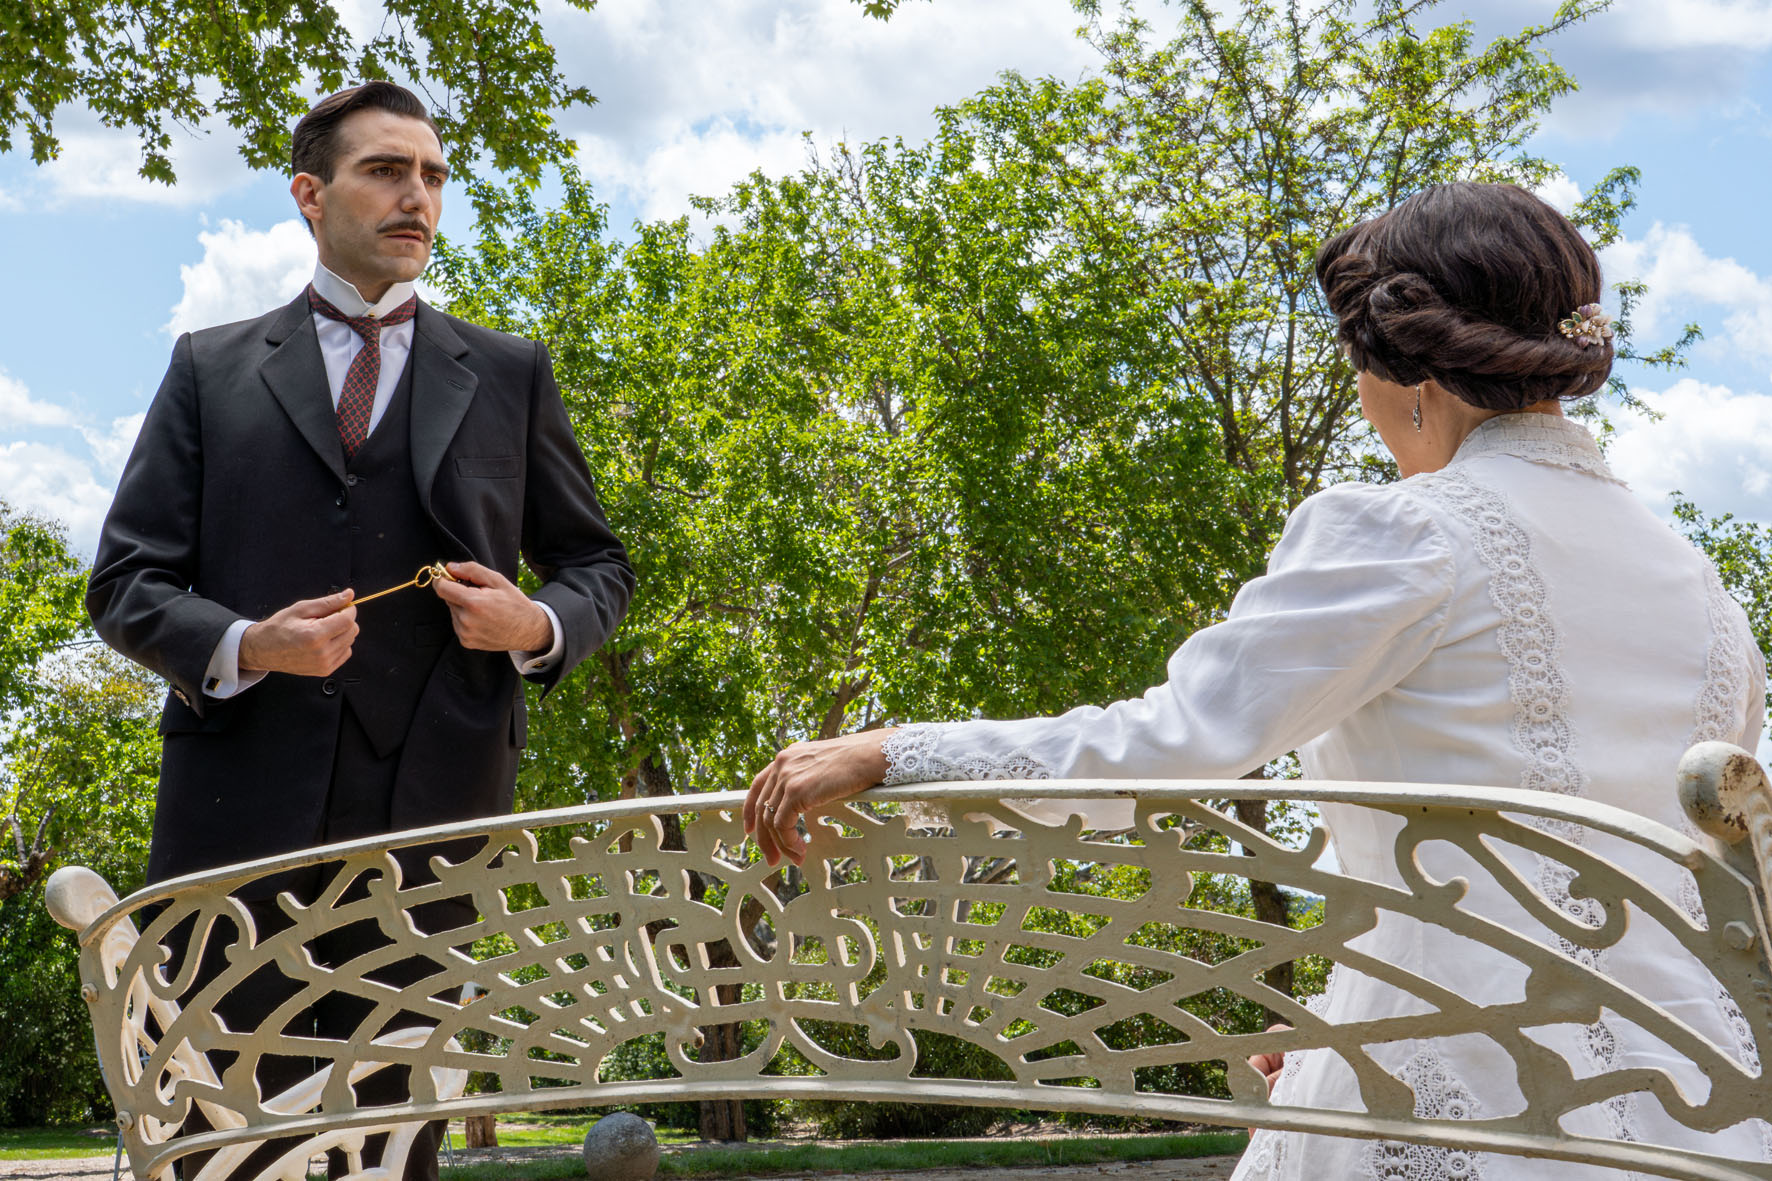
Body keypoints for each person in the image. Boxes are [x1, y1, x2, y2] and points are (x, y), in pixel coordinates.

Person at [743, 181, 1768, 1177]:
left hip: (1461, 1080)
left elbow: (1169, 744)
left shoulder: (1410, 534)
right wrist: (1332, 1030)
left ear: (1408, 374)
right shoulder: (1700, 589)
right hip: (1701, 1097)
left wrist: (897, 752)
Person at [86, 81, 633, 1181]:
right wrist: (249, 643)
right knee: (217, 1135)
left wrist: (533, 621)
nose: (416, 196)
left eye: (431, 176)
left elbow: (598, 567)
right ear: (310, 194)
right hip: (235, 818)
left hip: (435, 822)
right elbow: (126, 581)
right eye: (385, 170)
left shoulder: (510, 373)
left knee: (393, 1138)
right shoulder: (208, 368)